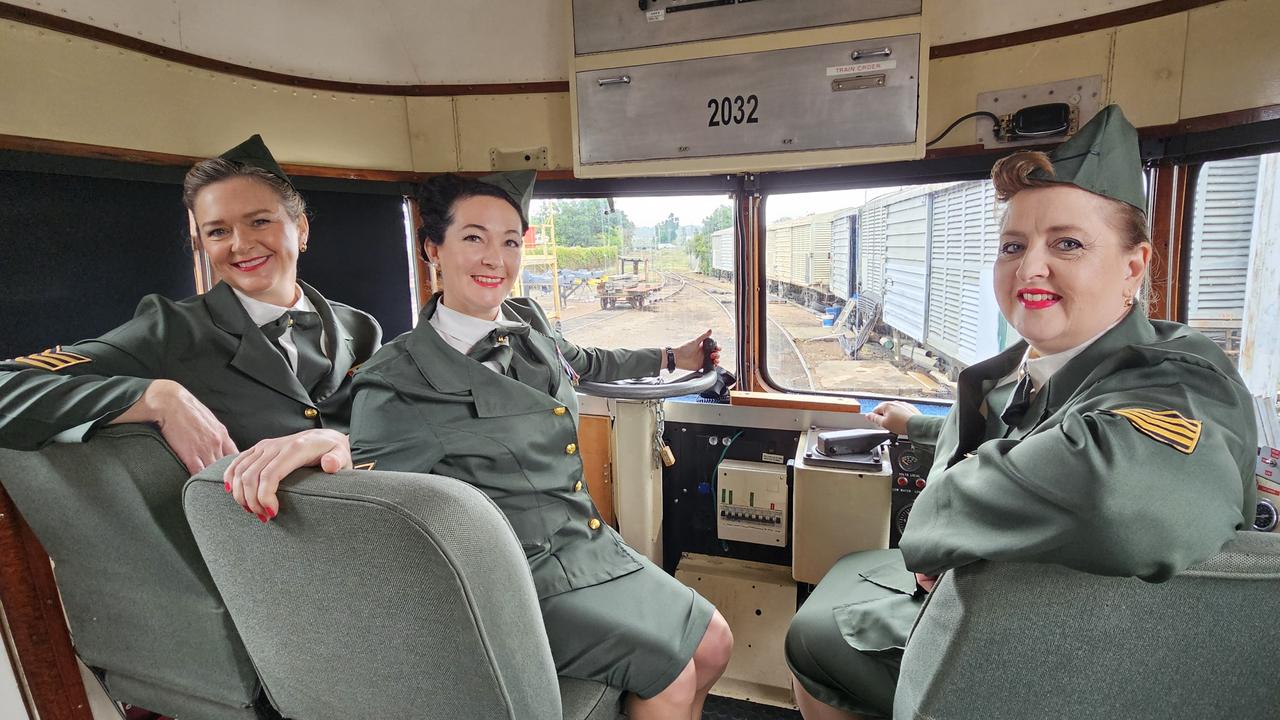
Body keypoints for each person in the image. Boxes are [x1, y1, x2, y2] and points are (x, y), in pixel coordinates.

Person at [784, 105, 1258, 720]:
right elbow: (1020, 433)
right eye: (1014, 245)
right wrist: (914, 424)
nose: (1030, 267)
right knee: (839, 583)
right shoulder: (1041, 364)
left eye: (1067, 243)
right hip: (1009, 615)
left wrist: (935, 526)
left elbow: (1114, 496)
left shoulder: (1179, 379)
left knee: (810, 640)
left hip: (1079, 666)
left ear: (1133, 267)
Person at [343, 171, 734, 720]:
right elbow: (376, 517)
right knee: (669, 669)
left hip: (584, 538)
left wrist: (674, 357)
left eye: (509, 241)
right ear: (434, 248)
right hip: (512, 578)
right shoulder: (397, 380)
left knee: (716, 642)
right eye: (473, 238)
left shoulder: (526, 320)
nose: (494, 259)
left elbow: (586, 362)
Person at [0, 135, 381, 524]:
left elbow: (402, 428)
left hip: (380, 528)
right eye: (218, 231)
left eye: (260, 221)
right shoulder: (169, 330)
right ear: (201, 243)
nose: (241, 244)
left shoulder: (360, 328)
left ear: (300, 229)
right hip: (256, 555)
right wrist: (158, 396)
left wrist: (340, 442)